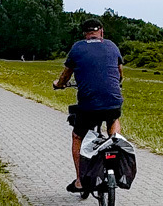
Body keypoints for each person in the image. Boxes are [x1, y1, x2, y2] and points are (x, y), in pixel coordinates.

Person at [53, 21, 124, 194]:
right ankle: (115, 140)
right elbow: (120, 73)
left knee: (77, 136)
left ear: (85, 34)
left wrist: (59, 84)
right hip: (112, 101)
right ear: (101, 32)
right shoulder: (112, 46)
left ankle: (80, 180)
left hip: (88, 105)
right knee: (113, 118)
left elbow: (66, 75)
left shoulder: (77, 48)